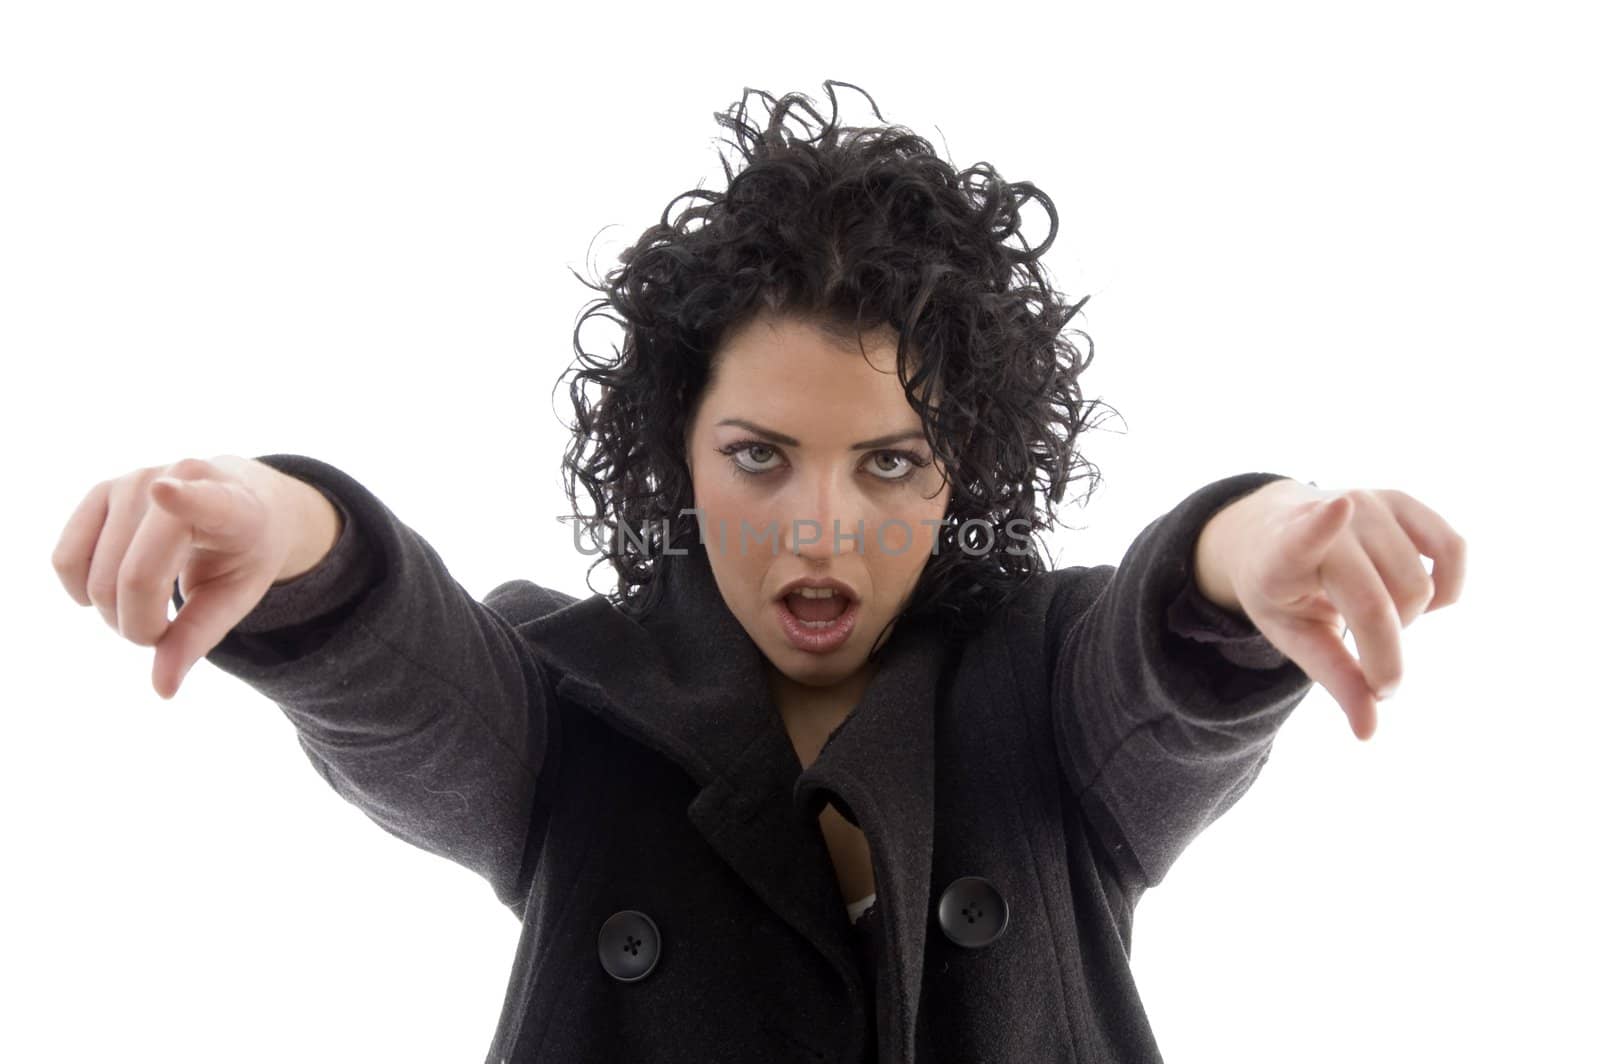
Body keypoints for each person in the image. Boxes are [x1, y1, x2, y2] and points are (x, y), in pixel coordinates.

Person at [52, 81, 1464, 1063]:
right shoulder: (571, 695)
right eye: (761, 455)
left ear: (967, 467)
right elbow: (412, 677)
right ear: (678, 450)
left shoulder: (1045, 682)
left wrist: (1251, 546)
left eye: (892, 464)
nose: (820, 530)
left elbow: (1163, 655)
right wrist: (295, 533)